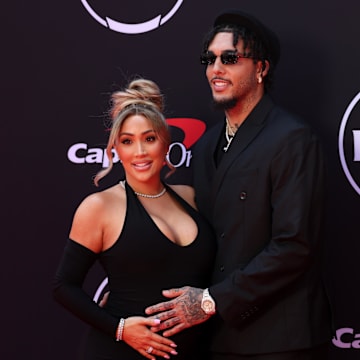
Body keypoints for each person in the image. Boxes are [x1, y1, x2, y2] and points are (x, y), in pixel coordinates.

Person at [145, 9, 333, 360]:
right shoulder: (205, 146)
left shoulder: (292, 139)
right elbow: (197, 239)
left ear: (261, 68)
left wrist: (210, 301)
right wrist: (134, 284)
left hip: (281, 342)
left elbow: (295, 246)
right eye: (210, 58)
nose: (216, 69)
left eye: (230, 58)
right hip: (219, 339)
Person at [53, 78, 216, 360]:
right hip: (121, 353)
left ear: (165, 142)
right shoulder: (100, 206)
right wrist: (120, 328)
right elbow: (63, 287)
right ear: (116, 147)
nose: (139, 152)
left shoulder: (190, 197)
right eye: (128, 141)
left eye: (149, 139)